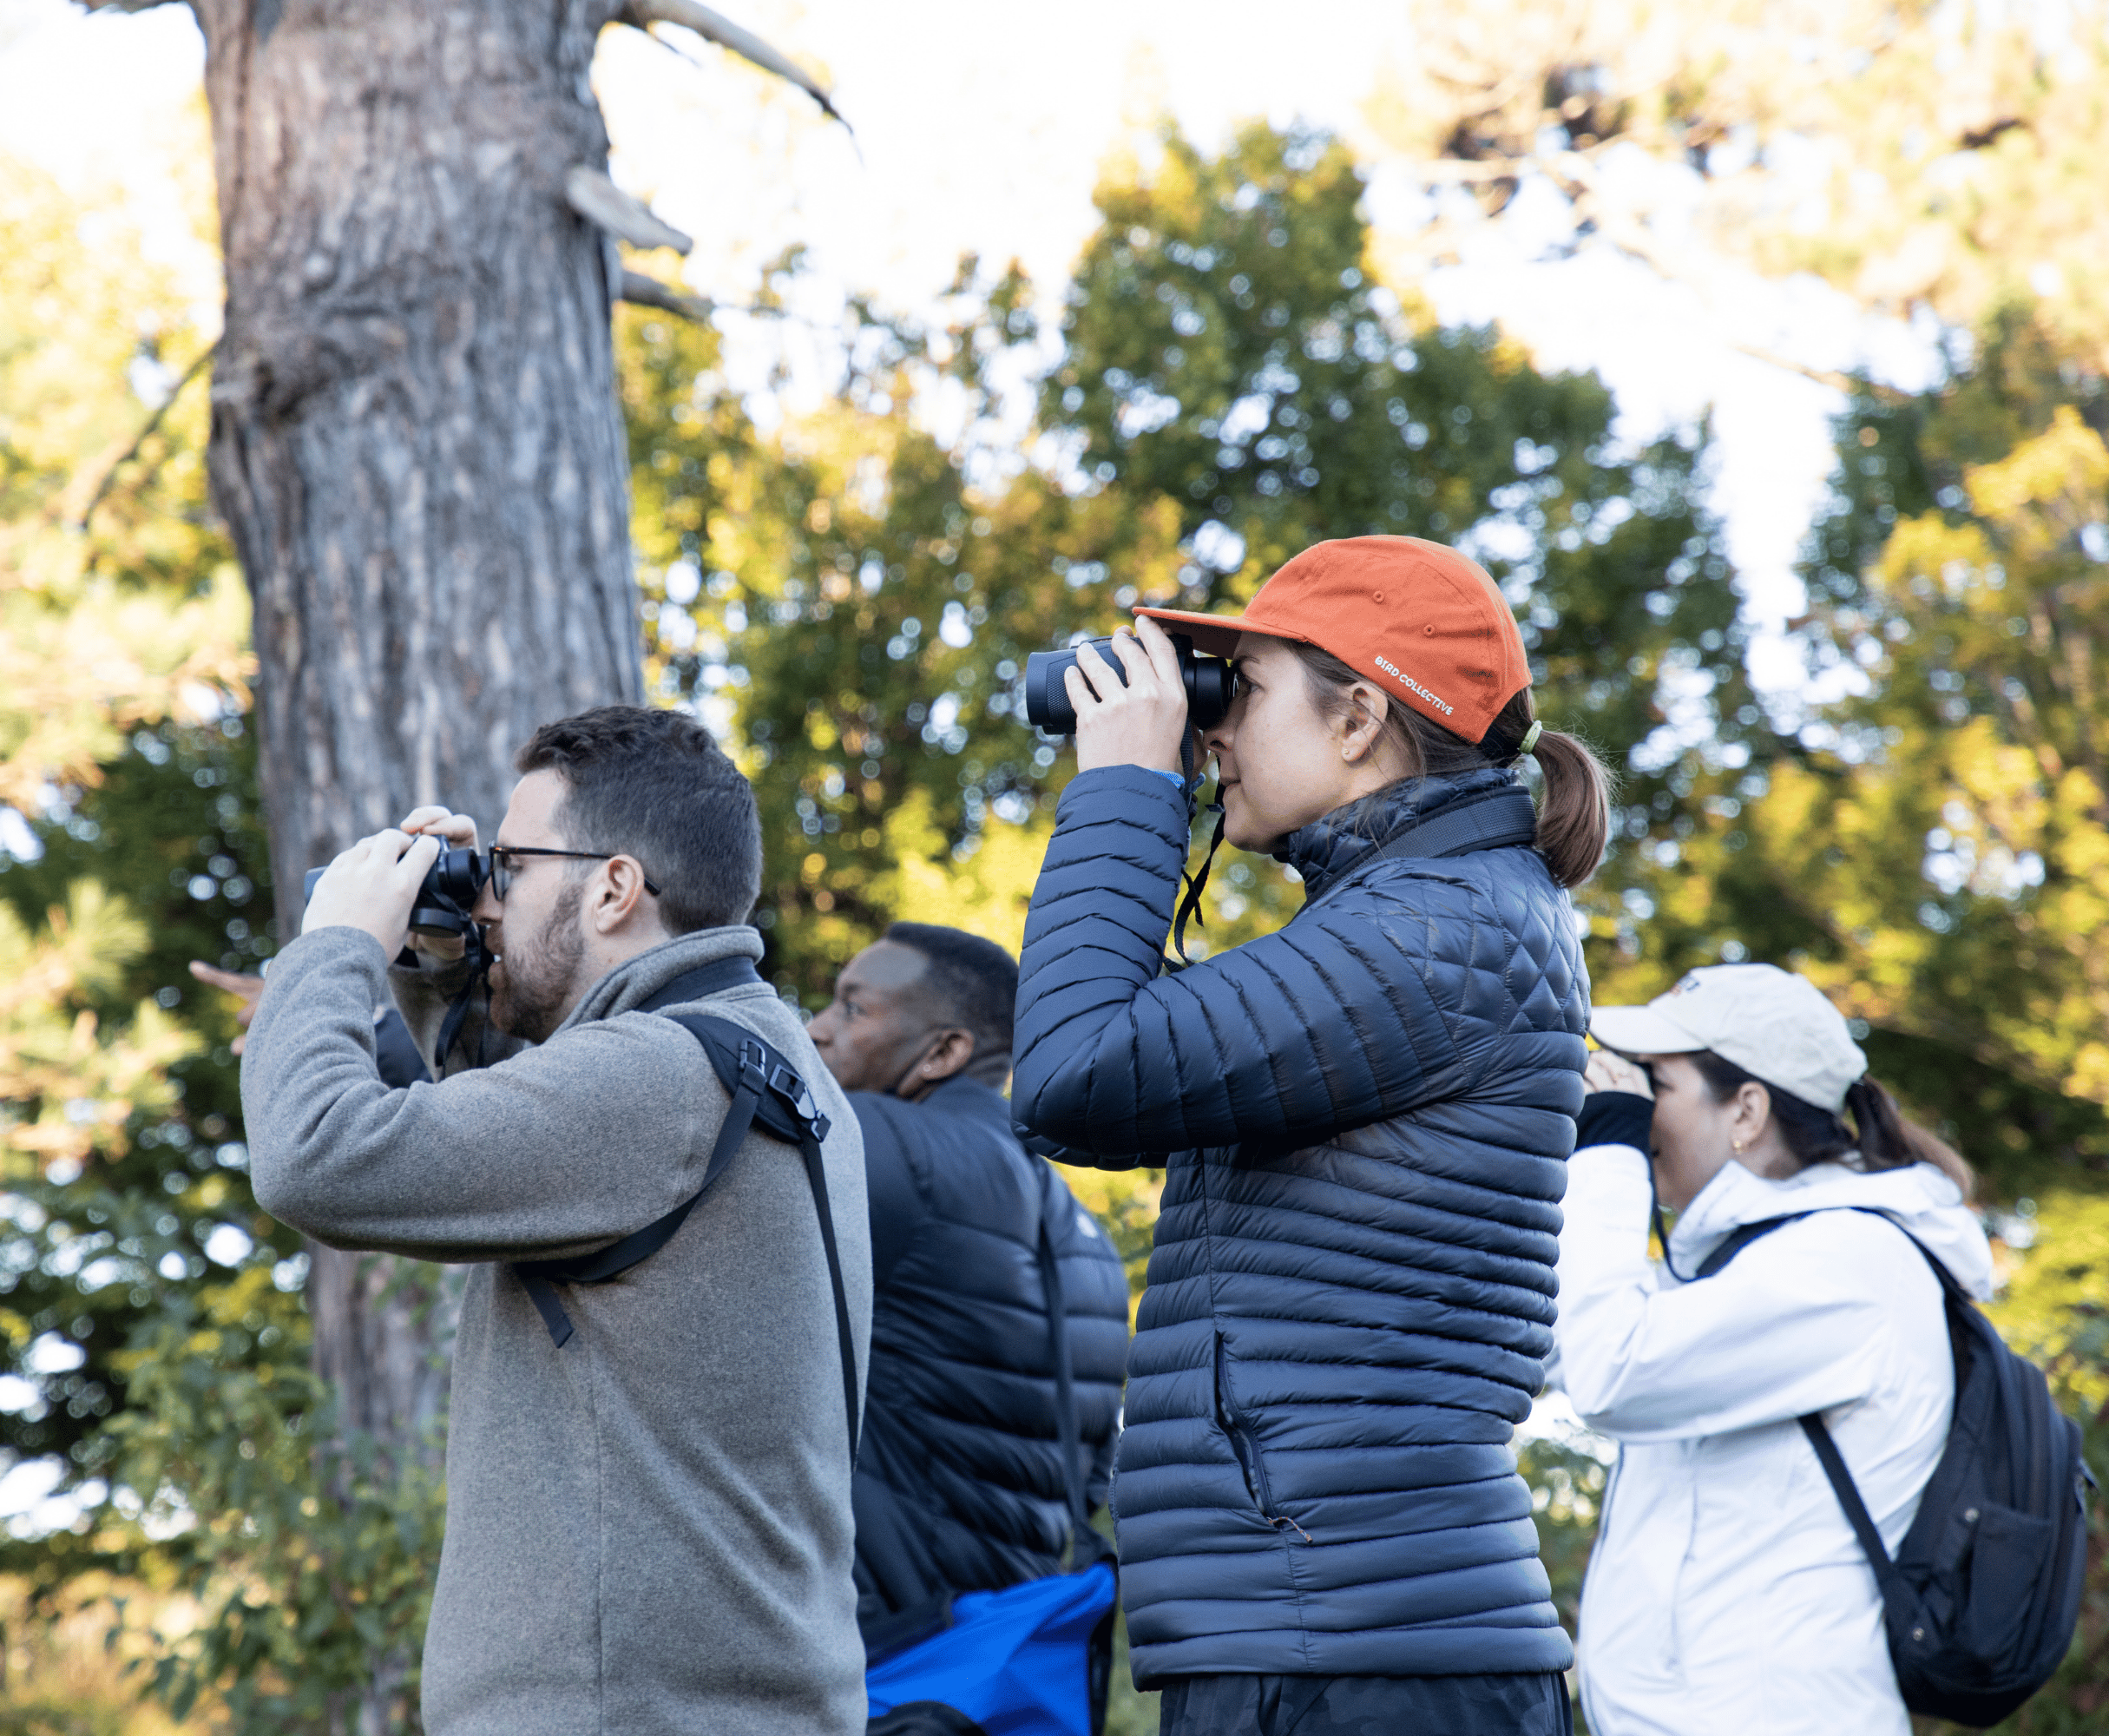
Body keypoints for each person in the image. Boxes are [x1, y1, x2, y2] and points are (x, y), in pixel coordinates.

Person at [1009, 536, 1614, 1735]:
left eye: (1241, 687)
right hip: (1330, 1634)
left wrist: (1128, 785)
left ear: (1357, 720)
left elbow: (1074, 1071)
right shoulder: (1428, 919)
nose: (1211, 727)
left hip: (1356, 1651)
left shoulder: (1443, 933)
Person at [237, 705, 871, 1736]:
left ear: (614, 885)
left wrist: (340, 941)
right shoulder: (752, 1056)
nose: (486, 894)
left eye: (512, 866)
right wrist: (449, 966)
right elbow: (484, 1136)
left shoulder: (656, 1075)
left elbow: (317, 1154)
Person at [1556, 963, 1988, 1736]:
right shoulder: (1750, 1269)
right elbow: (1552, 1342)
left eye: (1654, 1084)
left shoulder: (1852, 1261)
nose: (1634, 1108)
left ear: (1747, 1111)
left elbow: (1608, 1372)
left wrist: (1611, 1152)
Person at [805, 923, 1131, 1659]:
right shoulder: (1087, 1238)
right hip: (995, 1660)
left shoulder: (884, 1145)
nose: (816, 1030)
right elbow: (1088, 1478)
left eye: (853, 1009)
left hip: (882, 1649)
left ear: (944, 1052)